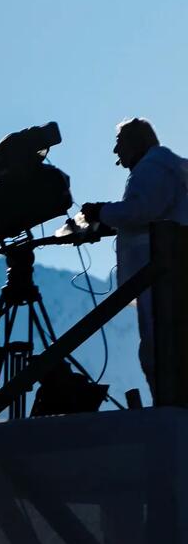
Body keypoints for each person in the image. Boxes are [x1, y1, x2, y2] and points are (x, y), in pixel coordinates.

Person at [80, 118, 188, 399]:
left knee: (162, 351)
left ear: (135, 143)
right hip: (163, 277)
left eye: (119, 144)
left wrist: (101, 212)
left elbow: (143, 209)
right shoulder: (167, 167)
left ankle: (171, 414)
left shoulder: (153, 168)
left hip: (160, 279)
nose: (116, 153)